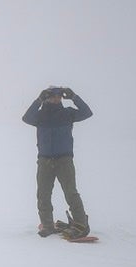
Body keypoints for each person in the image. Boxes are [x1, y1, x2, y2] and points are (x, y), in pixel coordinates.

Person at [23, 86, 93, 239]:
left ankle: (81, 223)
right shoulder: (40, 116)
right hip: (45, 160)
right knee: (43, 194)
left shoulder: (67, 114)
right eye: (52, 96)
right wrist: (38, 100)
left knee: (71, 193)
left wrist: (74, 97)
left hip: (64, 160)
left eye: (59, 96)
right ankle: (47, 225)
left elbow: (87, 113)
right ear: (46, 98)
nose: (56, 98)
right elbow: (26, 118)